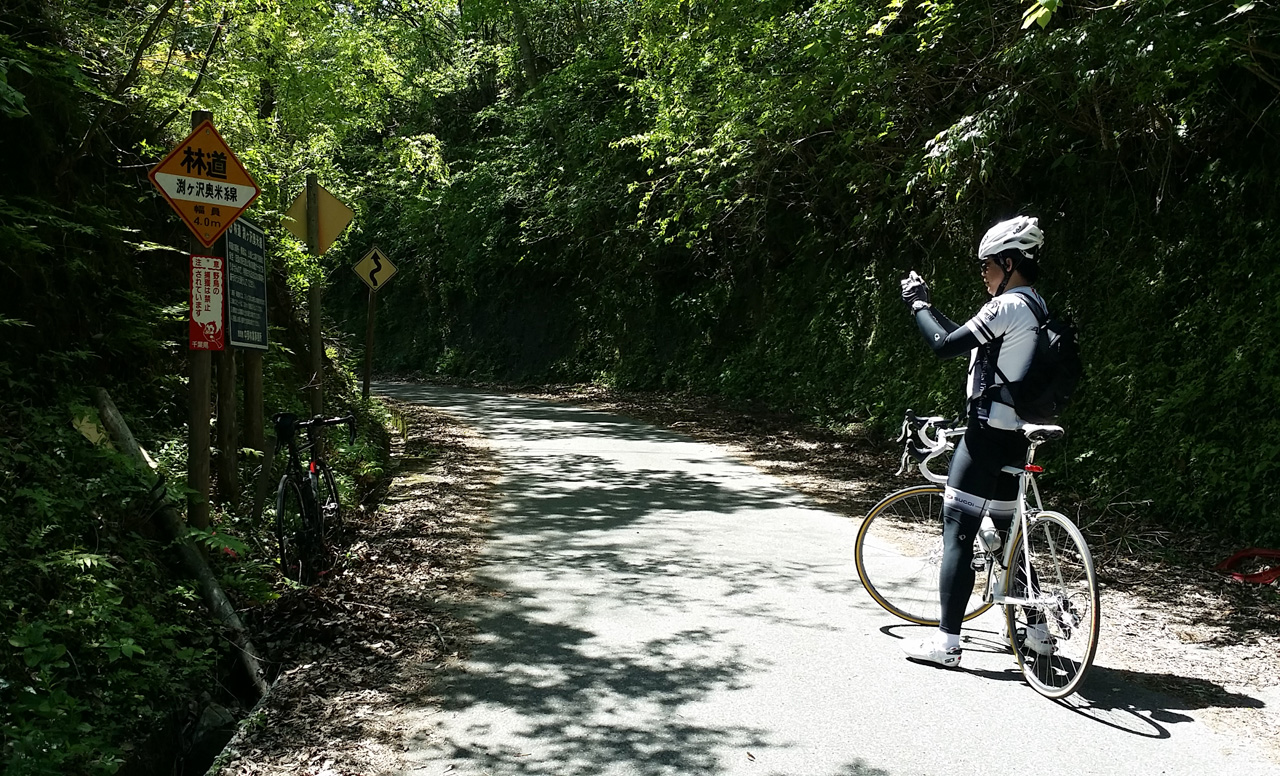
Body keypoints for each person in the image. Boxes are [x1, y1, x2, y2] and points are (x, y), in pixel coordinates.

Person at [896, 215, 1055, 667]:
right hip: (1015, 434)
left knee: (957, 533)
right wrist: (930, 309)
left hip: (985, 434)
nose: (983, 272)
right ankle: (1039, 634)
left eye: (987, 264)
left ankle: (947, 643)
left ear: (1008, 261)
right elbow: (965, 341)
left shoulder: (1005, 305)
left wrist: (917, 305)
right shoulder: (1034, 304)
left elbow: (943, 345)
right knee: (1008, 537)